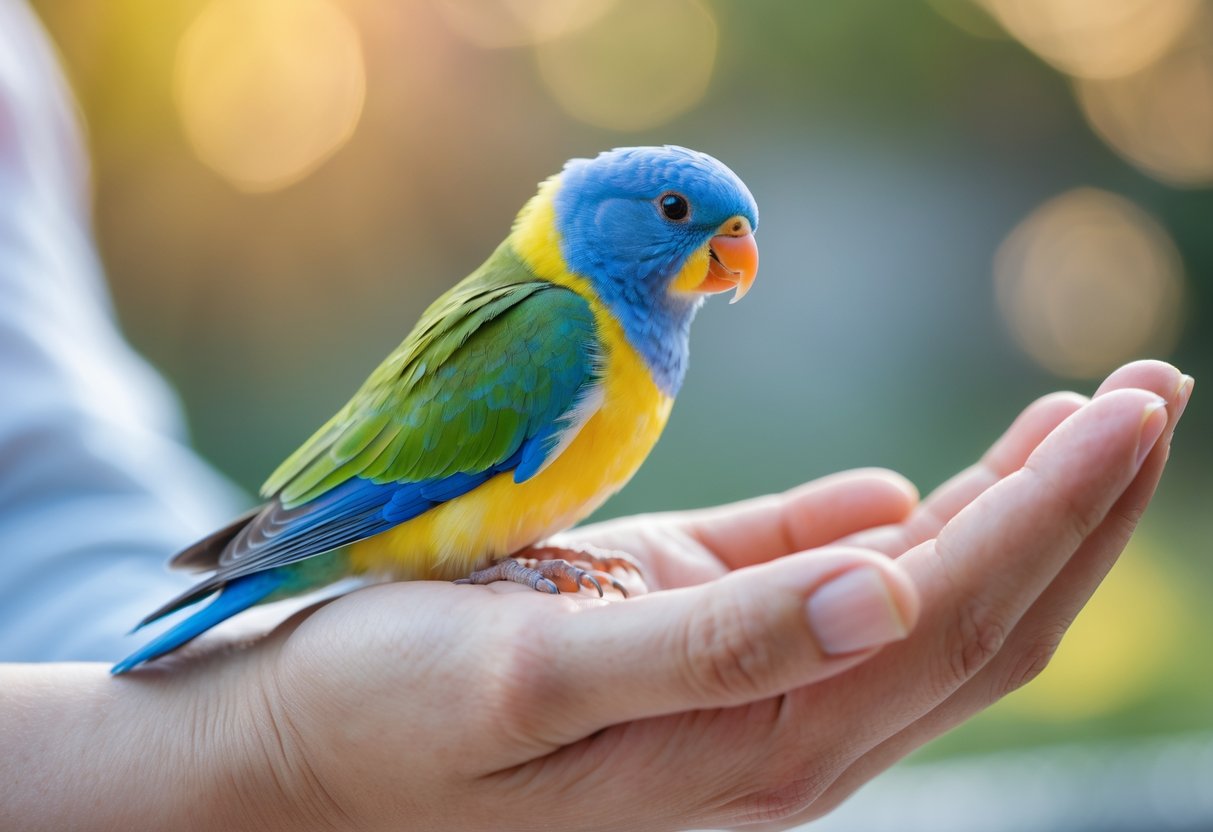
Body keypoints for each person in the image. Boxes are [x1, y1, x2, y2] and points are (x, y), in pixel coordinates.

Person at [0, 1, 1194, 829]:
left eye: (728, 230)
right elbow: (410, 500)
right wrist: (274, 746)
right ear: (602, 224)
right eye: (680, 214)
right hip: (373, 520)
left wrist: (209, 744)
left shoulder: (630, 345)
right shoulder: (558, 329)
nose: (726, 251)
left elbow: (49, 491)